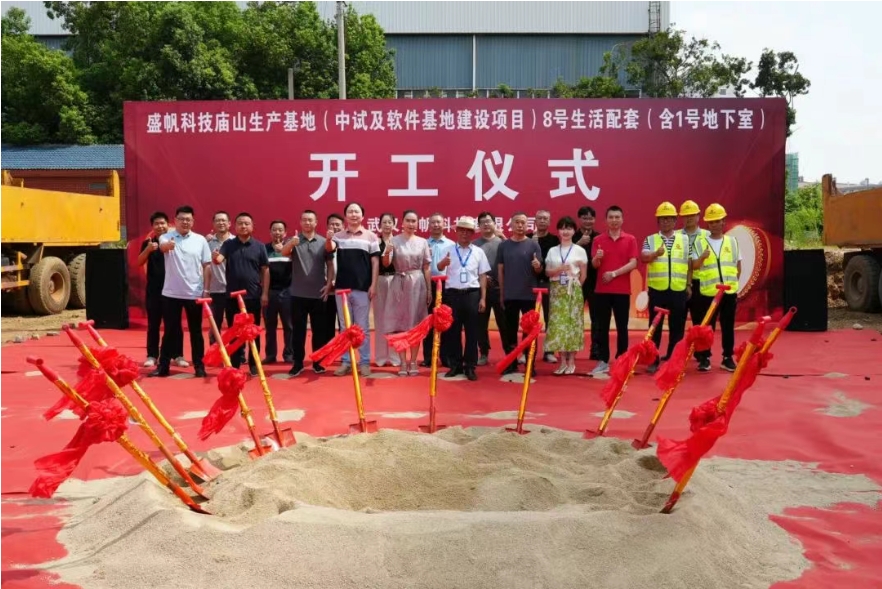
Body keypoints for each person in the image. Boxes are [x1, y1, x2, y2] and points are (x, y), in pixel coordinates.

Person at [150, 205, 211, 378]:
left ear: (193, 221)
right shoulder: (166, 237)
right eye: (182, 219)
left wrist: (206, 289)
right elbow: (163, 247)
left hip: (194, 293)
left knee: (196, 332)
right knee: (170, 331)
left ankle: (199, 366)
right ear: (175, 221)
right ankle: (163, 366)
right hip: (171, 293)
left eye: (188, 219)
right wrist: (168, 246)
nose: (185, 222)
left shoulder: (200, 240)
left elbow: (207, 266)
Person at [325, 202, 380, 377]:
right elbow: (329, 249)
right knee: (344, 327)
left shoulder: (371, 237)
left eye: (356, 212)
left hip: (362, 288)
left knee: (362, 327)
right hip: (342, 289)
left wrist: (373, 285)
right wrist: (329, 239)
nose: (353, 214)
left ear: (362, 216)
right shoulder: (338, 236)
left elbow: (375, 262)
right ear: (345, 216)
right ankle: (346, 362)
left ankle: (364, 362)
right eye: (350, 212)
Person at [212, 212, 269, 375]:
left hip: (253, 296)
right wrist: (216, 257)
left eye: (246, 223)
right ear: (235, 226)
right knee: (234, 333)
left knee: (253, 333)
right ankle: (235, 364)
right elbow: (219, 260)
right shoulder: (228, 244)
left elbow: (265, 270)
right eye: (240, 223)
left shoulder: (259, 246)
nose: (243, 226)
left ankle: (254, 364)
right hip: (233, 297)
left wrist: (264, 293)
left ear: (252, 226)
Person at [641, 202, 692, 375]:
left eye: (669, 218)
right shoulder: (650, 239)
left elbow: (689, 263)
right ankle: (653, 360)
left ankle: (674, 360)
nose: (666, 222)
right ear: (658, 221)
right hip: (657, 290)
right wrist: (655, 254)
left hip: (678, 289)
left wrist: (689, 284)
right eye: (662, 219)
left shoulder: (684, 239)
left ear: (675, 221)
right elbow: (644, 258)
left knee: (677, 327)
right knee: (654, 327)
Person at [284, 210, 335, 376]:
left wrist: (329, 284)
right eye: (304, 220)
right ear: (300, 222)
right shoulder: (294, 240)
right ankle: (298, 363)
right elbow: (283, 252)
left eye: (310, 220)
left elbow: (330, 264)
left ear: (316, 222)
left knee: (319, 331)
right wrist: (291, 244)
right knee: (298, 332)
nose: (307, 223)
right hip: (298, 294)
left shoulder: (323, 242)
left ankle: (317, 362)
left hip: (318, 294)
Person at [438, 216, 490, 381]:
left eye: (468, 231)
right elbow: (438, 267)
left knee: (472, 332)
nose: (464, 234)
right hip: (452, 294)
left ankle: (470, 366)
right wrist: (443, 263)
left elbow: (483, 276)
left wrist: (483, 298)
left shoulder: (478, 252)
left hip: (472, 294)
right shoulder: (448, 249)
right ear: (456, 232)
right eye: (461, 230)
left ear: (472, 234)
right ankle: (455, 365)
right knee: (453, 332)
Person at [589, 205, 639, 376]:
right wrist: (597, 258)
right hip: (602, 290)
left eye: (617, 217)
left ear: (622, 219)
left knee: (622, 326)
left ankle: (622, 359)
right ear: (606, 220)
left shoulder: (630, 239)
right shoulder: (598, 240)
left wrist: (614, 274)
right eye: (611, 217)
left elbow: (633, 263)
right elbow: (594, 265)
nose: (614, 220)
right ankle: (603, 360)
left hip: (622, 291)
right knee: (602, 327)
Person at [692, 203, 741, 372]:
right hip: (708, 292)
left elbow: (737, 265)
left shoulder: (732, 242)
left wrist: (734, 285)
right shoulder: (699, 243)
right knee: (707, 327)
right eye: (711, 221)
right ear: (707, 223)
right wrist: (702, 258)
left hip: (728, 292)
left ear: (723, 222)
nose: (714, 224)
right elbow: (694, 266)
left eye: (717, 221)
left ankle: (727, 358)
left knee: (728, 325)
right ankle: (704, 357)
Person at [382, 210, 432, 376]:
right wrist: (387, 251)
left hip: (417, 284)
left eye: (414, 221)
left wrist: (429, 289)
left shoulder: (423, 242)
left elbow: (426, 267)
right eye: (408, 220)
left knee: (416, 324)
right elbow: (386, 263)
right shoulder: (394, 240)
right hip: (399, 284)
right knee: (400, 325)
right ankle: (403, 362)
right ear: (402, 223)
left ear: (417, 223)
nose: (411, 224)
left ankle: (413, 361)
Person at [497, 212, 544, 375]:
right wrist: (502, 293)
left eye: (523, 222)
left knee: (529, 332)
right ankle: (511, 363)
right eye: (517, 222)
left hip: (529, 295)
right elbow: (500, 270)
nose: (520, 225)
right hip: (510, 294)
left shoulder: (533, 245)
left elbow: (539, 270)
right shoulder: (504, 246)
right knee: (510, 331)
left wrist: (537, 266)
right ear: (511, 224)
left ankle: (530, 363)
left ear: (527, 225)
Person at [137, 211, 183, 368]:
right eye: (156, 224)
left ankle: (177, 354)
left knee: (174, 324)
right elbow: (139, 262)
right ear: (152, 226)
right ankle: (152, 355)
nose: (160, 226)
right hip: (154, 290)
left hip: (173, 289)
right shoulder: (148, 243)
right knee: (153, 324)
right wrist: (148, 250)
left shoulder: (175, 240)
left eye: (162, 223)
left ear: (168, 224)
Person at [543, 216, 588, 375]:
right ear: (558, 231)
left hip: (573, 291)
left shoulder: (579, 251)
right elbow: (547, 272)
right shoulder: (552, 251)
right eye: (562, 228)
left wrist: (575, 286)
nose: (565, 231)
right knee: (559, 326)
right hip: (556, 291)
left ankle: (572, 362)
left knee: (572, 325)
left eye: (569, 228)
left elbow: (583, 275)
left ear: (574, 231)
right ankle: (562, 362)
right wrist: (559, 269)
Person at [526, 210, 560, 363]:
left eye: (545, 218)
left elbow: (557, 260)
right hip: (530, 283)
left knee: (550, 317)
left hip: (548, 282)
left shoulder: (554, 240)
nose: (542, 221)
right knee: (529, 318)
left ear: (549, 221)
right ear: (535, 221)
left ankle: (549, 351)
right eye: (539, 218)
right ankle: (527, 351)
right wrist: (532, 244)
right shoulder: (527, 238)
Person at [473, 212, 507, 367]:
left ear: (495, 224)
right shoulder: (474, 244)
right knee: (481, 323)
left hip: (500, 289)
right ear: (479, 226)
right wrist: (481, 276)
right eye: (482, 222)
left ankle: (509, 352)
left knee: (504, 323)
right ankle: (484, 353)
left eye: (489, 221)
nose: (486, 224)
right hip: (481, 290)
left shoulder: (502, 243)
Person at [422, 213, 454, 367]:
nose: (436, 225)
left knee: (445, 320)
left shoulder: (451, 245)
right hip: (428, 285)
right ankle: (429, 357)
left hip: (446, 285)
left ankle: (446, 356)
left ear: (444, 224)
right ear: (428, 225)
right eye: (433, 222)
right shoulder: (423, 244)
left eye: (438, 222)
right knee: (429, 320)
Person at [374, 213, 402, 369]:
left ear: (394, 224)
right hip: (379, 280)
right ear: (379, 224)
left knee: (394, 320)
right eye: (384, 222)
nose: (387, 225)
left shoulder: (398, 241)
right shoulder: (375, 242)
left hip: (395, 280)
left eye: (389, 222)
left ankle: (395, 356)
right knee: (379, 319)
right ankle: (380, 357)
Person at [264, 220, 294, 364]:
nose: (277, 232)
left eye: (280, 230)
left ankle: (289, 354)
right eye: (274, 230)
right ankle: (270, 355)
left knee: (289, 325)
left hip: (288, 291)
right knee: (270, 326)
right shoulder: (264, 249)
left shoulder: (291, 249)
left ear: (285, 233)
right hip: (270, 292)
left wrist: (287, 248)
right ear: (270, 232)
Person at [573, 206, 601, 359]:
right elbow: (565, 256)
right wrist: (578, 243)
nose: (588, 221)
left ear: (594, 220)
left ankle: (595, 349)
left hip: (595, 282)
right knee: (574, 316)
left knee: (596, 317)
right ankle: (571, 348)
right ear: (579, 219)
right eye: (585, 218)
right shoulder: (572, 236)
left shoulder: (599, 237)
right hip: (576, 282)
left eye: (591, 218)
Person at [679, 200, 710, 327]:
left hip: (701, 285)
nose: (689, 218)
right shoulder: (675, 236)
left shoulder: (708, 235)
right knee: (677, 324)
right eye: (686, 215)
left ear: (698, 216)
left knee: (701, 324)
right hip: (679, 283)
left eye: (692, 215)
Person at [205, 211, 233, 347]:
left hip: (233, 289)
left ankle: (236, 354)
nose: (221, 223)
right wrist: (206, 289)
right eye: (218, 220)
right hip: (215, 290)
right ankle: (215, 352)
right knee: (215, 325)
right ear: (213, 224)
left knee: (234, 324)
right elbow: (205, 267)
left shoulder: (236, 241)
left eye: (223, 220)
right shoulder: (207, 243)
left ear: (229, 223)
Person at [324, 213, 345, 340]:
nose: (335, 227)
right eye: (332, 224)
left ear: (343, 226)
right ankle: (329, 350)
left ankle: (345, 351)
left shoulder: (348, 245)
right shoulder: (323, 244)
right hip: (329, 291)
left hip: (344, 291)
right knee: (327, 326)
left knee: (345, 326)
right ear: (327, 226)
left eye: (338, 224)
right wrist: (328, 282)